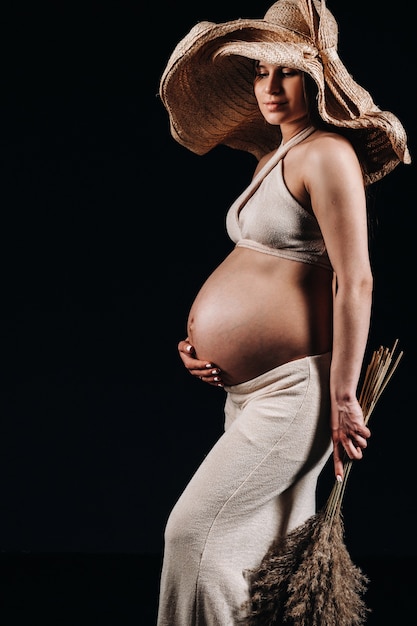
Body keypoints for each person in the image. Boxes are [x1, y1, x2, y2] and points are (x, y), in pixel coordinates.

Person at [156, 0, 410, 623]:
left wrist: (345, 396)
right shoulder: (276, 154)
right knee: (260, 558)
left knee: (192, 537)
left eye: (287, 72)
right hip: (251, 391)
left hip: (297, 394)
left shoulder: (326, 153)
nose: (270, 86)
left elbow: (355, 280)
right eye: (260, 72)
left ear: (318, 79)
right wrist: (204, 344)